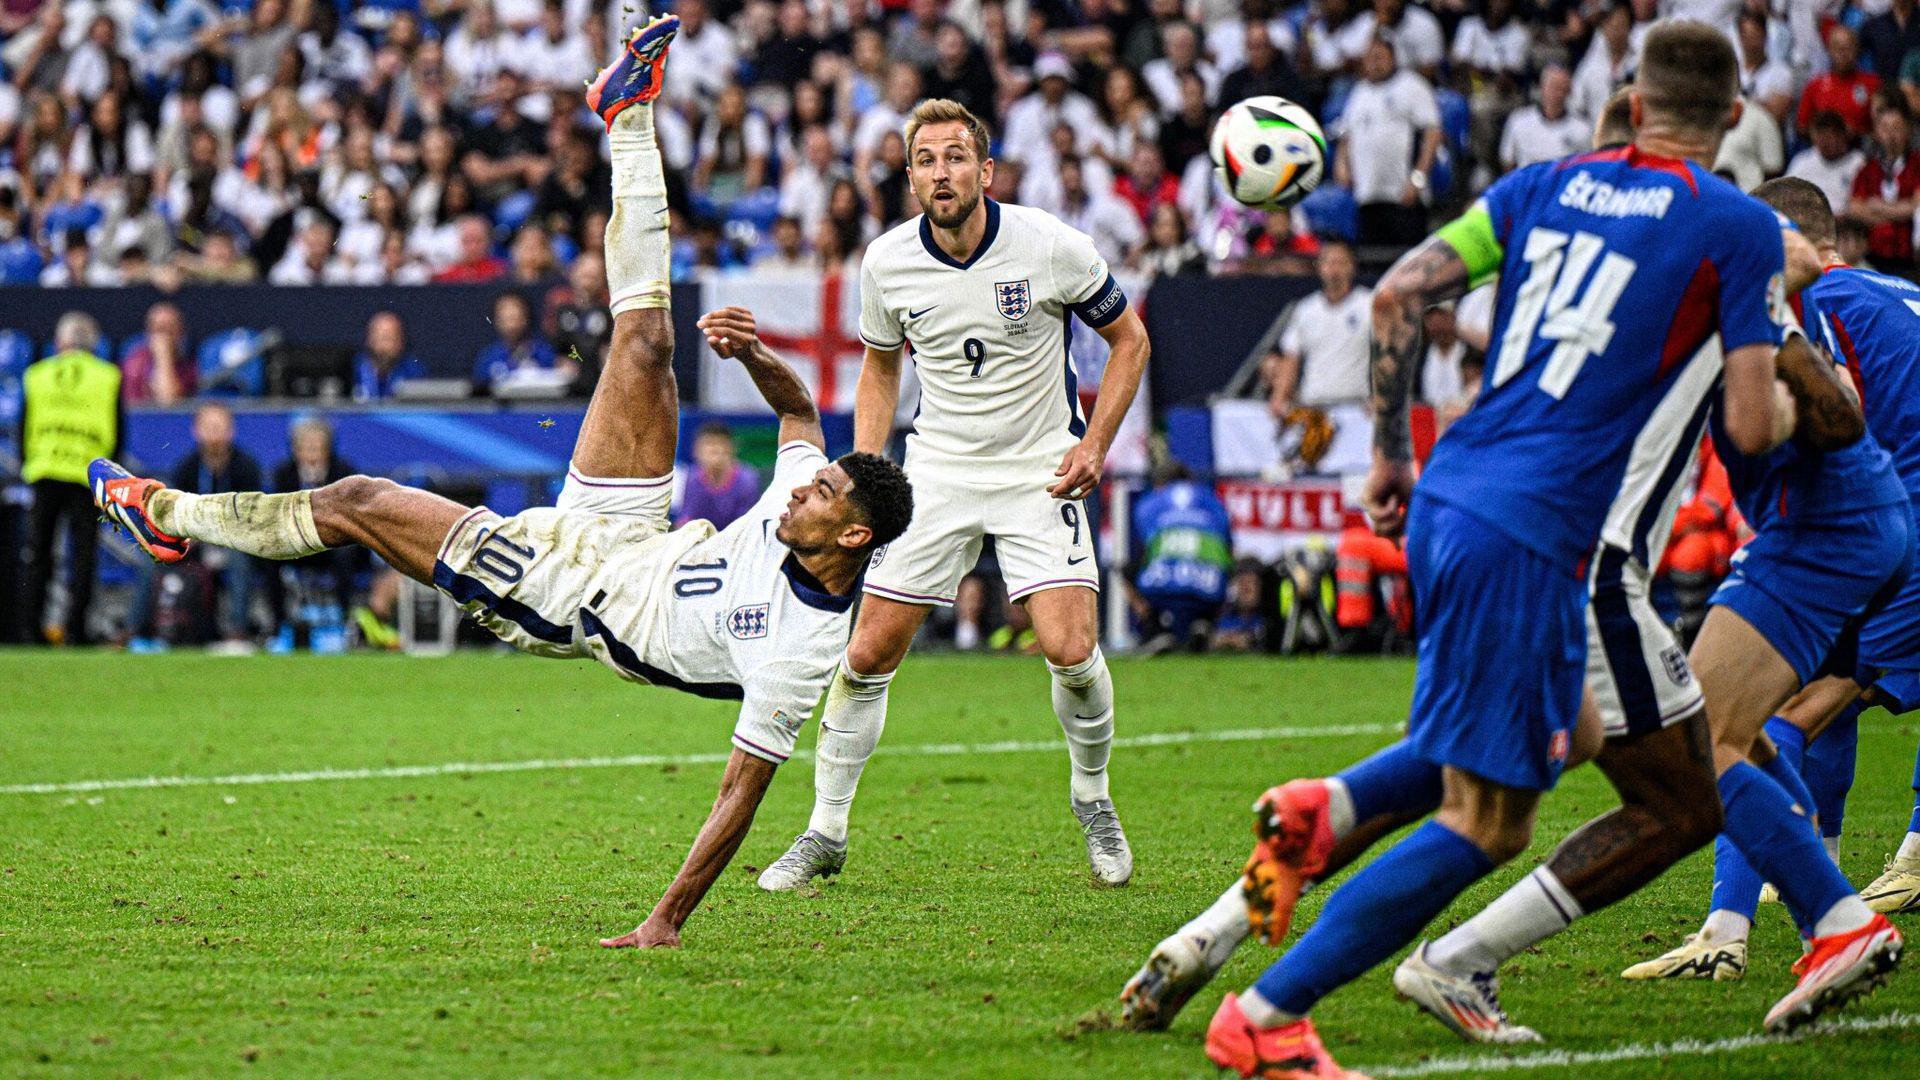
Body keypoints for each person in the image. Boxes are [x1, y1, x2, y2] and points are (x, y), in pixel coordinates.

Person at [1121, 26, 1880, 1075]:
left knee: (1549, 744)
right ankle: (1267, 1016)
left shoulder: (1537, 185)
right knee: (1498, 819)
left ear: (1631, 98)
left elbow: (1397, 293)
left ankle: (1310, 824)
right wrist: (1787, 362)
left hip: (1452, 493)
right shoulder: (1731, 226)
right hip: (1551, 537)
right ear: (1738, 114)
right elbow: (1753, 429)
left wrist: (1388, 455)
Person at [93, 17, 912, 951]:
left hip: (567, 595)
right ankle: (627, 115)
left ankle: (162, 514)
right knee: (647, 340)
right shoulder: (805, 499)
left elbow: (738, 795)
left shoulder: (802, 652)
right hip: (634, 530)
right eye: (813, 486)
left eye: (821, 498)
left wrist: (664, 921)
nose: (799, 491)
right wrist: (758, 357)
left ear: (851, 540)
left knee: (360, 501)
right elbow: (803, 420)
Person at [755, 97, 1152, 892]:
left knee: (1072, 652)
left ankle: (1094, 797)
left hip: (1041, 467)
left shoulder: (1050, 246)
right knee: (866, 655)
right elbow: (878, 365)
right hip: (936, 471)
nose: (943, 173)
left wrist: (1095, 443)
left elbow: (1129, 340)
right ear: (911, 179)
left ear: (986, 170)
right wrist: (866, 472)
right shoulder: (887, 262)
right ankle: (824, 832)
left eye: (956, 157)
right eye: (927, 161)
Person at [1623, 179, 1920, 965]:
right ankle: (1839, 879)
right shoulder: (1896, 290)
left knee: (1763, 719)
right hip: (1895, 520)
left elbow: (1828, 413)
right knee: (1826, 704)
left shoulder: (1819, 298)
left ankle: (1739, 924)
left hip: (1897, 524)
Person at [128, 401, 263, 650]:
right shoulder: (186, 468)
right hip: (194, 541)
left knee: (240, 560)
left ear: (230, 431)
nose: (213, 434)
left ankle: (237, 631)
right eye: (208, 427)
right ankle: (135, 630)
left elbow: (251, 515)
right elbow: (173, 514)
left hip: (232, 541)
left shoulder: (247, 467)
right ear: (196, 431)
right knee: (151, 558)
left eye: (219, 427)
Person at [20, 312, 119, 645]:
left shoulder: (37, 374)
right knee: (84, 557)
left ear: (59, 341)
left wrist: (28, 464)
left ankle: (30, 629)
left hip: (44, 471)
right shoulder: (108, 377)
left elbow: (24, 426)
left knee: (38, 556)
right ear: (94, 344)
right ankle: (77, 629)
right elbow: (118, 433)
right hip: (86, 476)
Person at [1259, 242, 1373, 476]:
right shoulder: (1306, 310)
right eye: (1329, 262)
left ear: (1352, 267)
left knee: (1355, 479)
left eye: (1341, 263)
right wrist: (1279, 397)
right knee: (1310, 478)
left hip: (1356, 410)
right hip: (1314, 410)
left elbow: (1387, 355)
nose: (1334, 269)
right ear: (1319, 267)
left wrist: (1381, 396)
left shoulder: (1368, 305)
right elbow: (1292, 358)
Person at [1332, 37, 1442, 247]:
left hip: (1404, 196)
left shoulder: (1411, 86)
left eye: (1380, 57)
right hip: (1368, 195)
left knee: (1406, 261)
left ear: (1393, 58)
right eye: (1370, 58)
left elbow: (1432, 133)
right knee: (1373, 263)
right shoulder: (1359, 92)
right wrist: (1342, 166)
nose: (1375, 63)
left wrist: (1418, 178)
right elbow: (1346, 136)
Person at [266, 414, 359, 648]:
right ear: (296, 450)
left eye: (318, 447)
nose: (312, 453)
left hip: (334, 543)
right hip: (295, 543)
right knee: (266, 555)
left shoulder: (345, 472)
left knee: (347, 554)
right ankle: (276, 625)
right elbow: (276, 515)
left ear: (328, 449)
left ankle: (344, 621)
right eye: (307, 447)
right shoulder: (283, 475)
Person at [1130, 462, 1233, 652]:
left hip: (1159, 588)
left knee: (1126, 570)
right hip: (1210, 588)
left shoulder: (1151, 501)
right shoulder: (1211, 499)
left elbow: (1145, 547)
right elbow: (1228, 544)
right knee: (1226, 566)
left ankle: (1158, 627)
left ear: (1160, 483)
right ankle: (1204, 623)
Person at [677, 421, 760, 529]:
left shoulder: (748, 480)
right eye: (709, 444)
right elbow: (684, 521)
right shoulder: (689, 478)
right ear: (696, 450)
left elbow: (747, 526)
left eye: (721, 443)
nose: (715, 450)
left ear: (732, 449)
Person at [472, 291, 561, 391]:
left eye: (515, 318)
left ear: (526, 318)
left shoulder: (544, 353)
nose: (511, 325)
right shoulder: (488, 358)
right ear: (496, 321)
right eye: (505, 319)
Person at [1786, 109, 1866, 212]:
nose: (1830, 142)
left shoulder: (1859, 163)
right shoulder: (1802, 161)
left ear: (1844, 135)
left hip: (1845, 222)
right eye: (1823, 138)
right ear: (1814, 137)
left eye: (1833, 136)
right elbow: (1784, 195)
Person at [352, 312, 428, 402]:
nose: (383, 347)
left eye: (388, 339)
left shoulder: (414, 371)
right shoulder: (353, 369)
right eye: (378, 338)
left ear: (401, 342)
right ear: (369, 340)